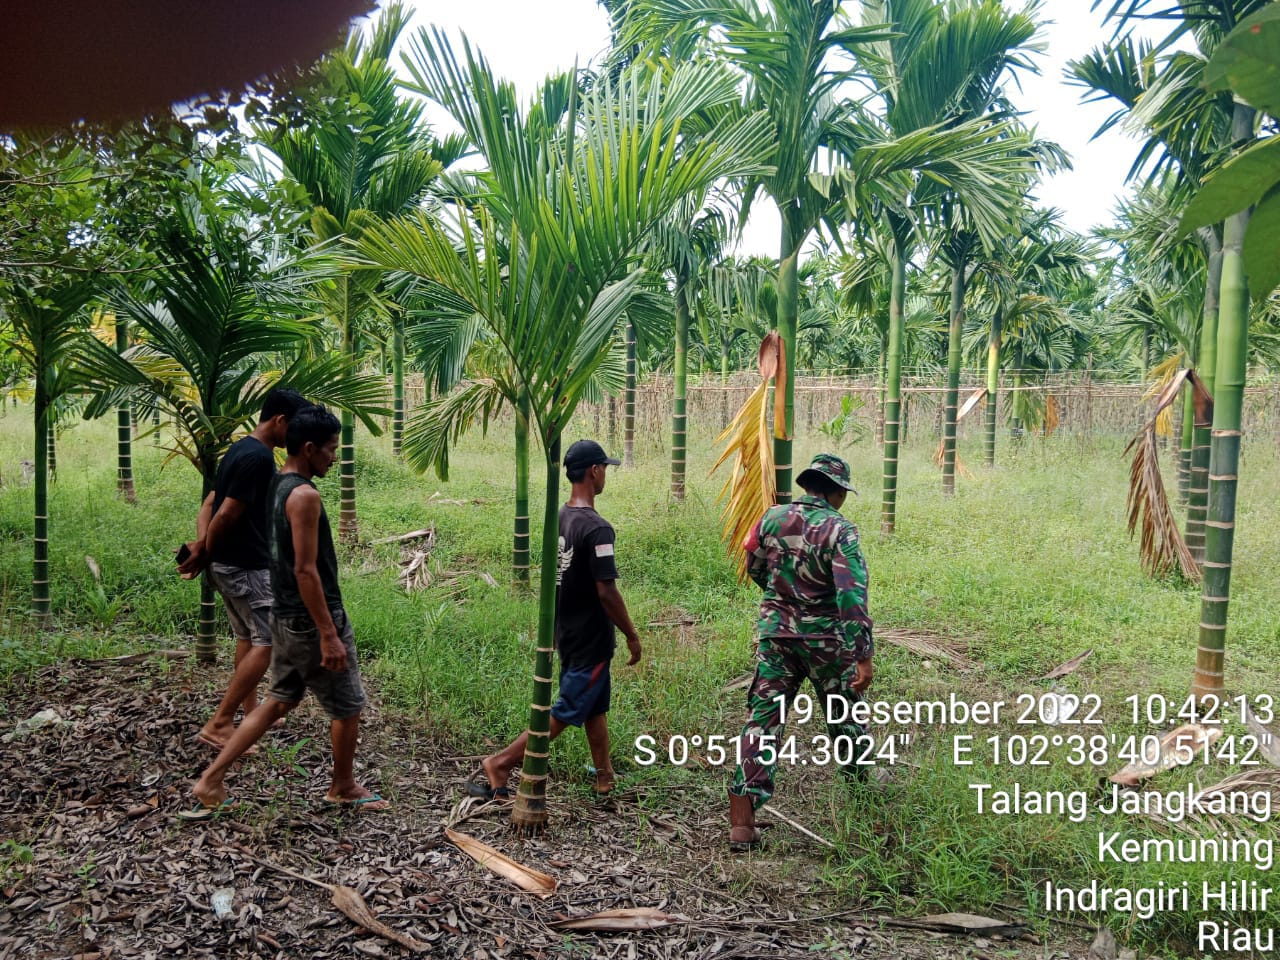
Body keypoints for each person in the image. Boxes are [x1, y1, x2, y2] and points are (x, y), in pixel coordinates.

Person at [186, 405, 386, 817]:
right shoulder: (305, 496)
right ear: (309, 448)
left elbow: (214, 506)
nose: (335, 457)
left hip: (284, 615)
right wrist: (328, 633)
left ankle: (211, 778)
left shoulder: (279, 484)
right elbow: (305, 569)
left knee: (278, 700)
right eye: (331, 449)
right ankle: (343, 785)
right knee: (348, 706)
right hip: (311, 618)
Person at [471, 439, 642, 800]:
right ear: (594, 471)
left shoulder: (559, 517)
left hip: (565, 629)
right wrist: (631, 634)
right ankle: (501, 763)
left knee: (594, 705)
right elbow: (607, 592)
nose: (605, 475)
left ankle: (605, 778)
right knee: (566, 710)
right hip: (591, 635)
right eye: (605, 469)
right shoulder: (598, 528)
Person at [728, 453, 874, 851]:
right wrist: (863, 653)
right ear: (836, 491)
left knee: (763, 722)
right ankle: (862, 798)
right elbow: (850, 594)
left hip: (776, 637)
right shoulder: (839, 529)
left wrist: (782, 603)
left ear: (809, 484)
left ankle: (742, 823)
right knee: (844, 716)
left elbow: (754, 565)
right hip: (828, 643)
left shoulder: (771, 517)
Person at [179, 388, 307, 750]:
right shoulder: (259, 460)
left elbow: (208, 504)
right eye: (293, 427)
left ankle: (248, 714)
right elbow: (226, 512)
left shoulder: (239, 449)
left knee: (249, 638)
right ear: (279, 420)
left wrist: (204, 548)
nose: (296, 437)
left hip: (228, 565)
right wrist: (205, 550)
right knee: (269, 642)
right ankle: (220, 722)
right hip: (247, 566)